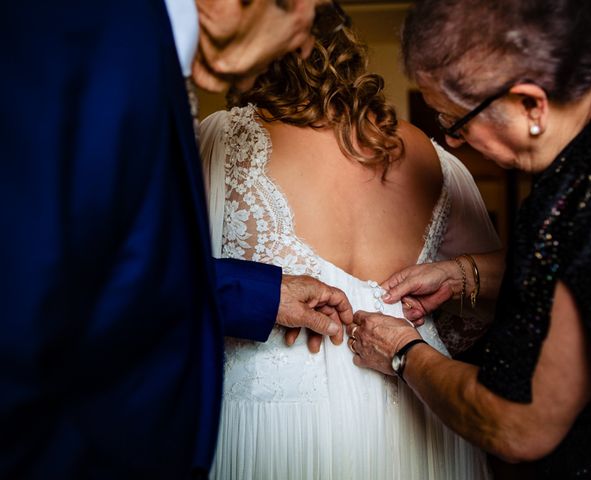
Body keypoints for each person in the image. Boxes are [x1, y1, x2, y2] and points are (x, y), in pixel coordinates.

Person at [0, 0, 353, 478]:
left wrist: (266, 296)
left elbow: (113, 251)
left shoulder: (144, 47)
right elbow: (24, 287)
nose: (303, 45)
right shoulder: (74, 30)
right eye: (306, 25)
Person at [198, 4, 501, 478]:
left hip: (276, 424)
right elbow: (488, 309)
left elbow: (167, 283)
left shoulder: (221, 141)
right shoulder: (430, 154)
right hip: (420, 411)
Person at [348, 0, 591, 477]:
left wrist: (403, 352)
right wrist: (465, 273)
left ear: (530, 103)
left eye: (453, 123)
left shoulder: (582, 192)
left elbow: (517, 425)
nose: (455, 143)